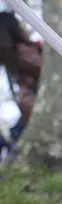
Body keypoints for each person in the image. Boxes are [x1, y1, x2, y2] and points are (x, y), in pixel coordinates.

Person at [0, 11, 42, 153]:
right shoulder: (13, 55)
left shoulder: (23, 52)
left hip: (38, 102)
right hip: (32, 103)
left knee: (16, 133)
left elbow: (41, 72)